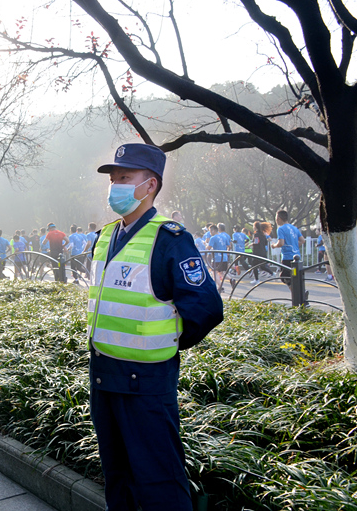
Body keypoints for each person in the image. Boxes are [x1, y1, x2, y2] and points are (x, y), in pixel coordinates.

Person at [88, 143, 223, 511]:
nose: (115, 186)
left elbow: (206, 308)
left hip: (146, 382)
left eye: (124, 178)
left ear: (149, 185)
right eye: (113, 179)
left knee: (158, 478)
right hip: (103, 375)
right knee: (118, 476)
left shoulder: (170, 239)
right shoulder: (105, 236)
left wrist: (167, 341)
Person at [272, 210, 304, 287]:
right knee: (294, 277)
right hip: (297, 257)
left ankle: (296, 296)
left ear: (279, 218)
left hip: (287, 257)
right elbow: (302, 240)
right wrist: (295, 245)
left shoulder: (281, 229)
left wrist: (274, 246)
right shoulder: (294, 228)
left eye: (276, 218)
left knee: (285, 278)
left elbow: (281, 243)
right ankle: (298, 295)